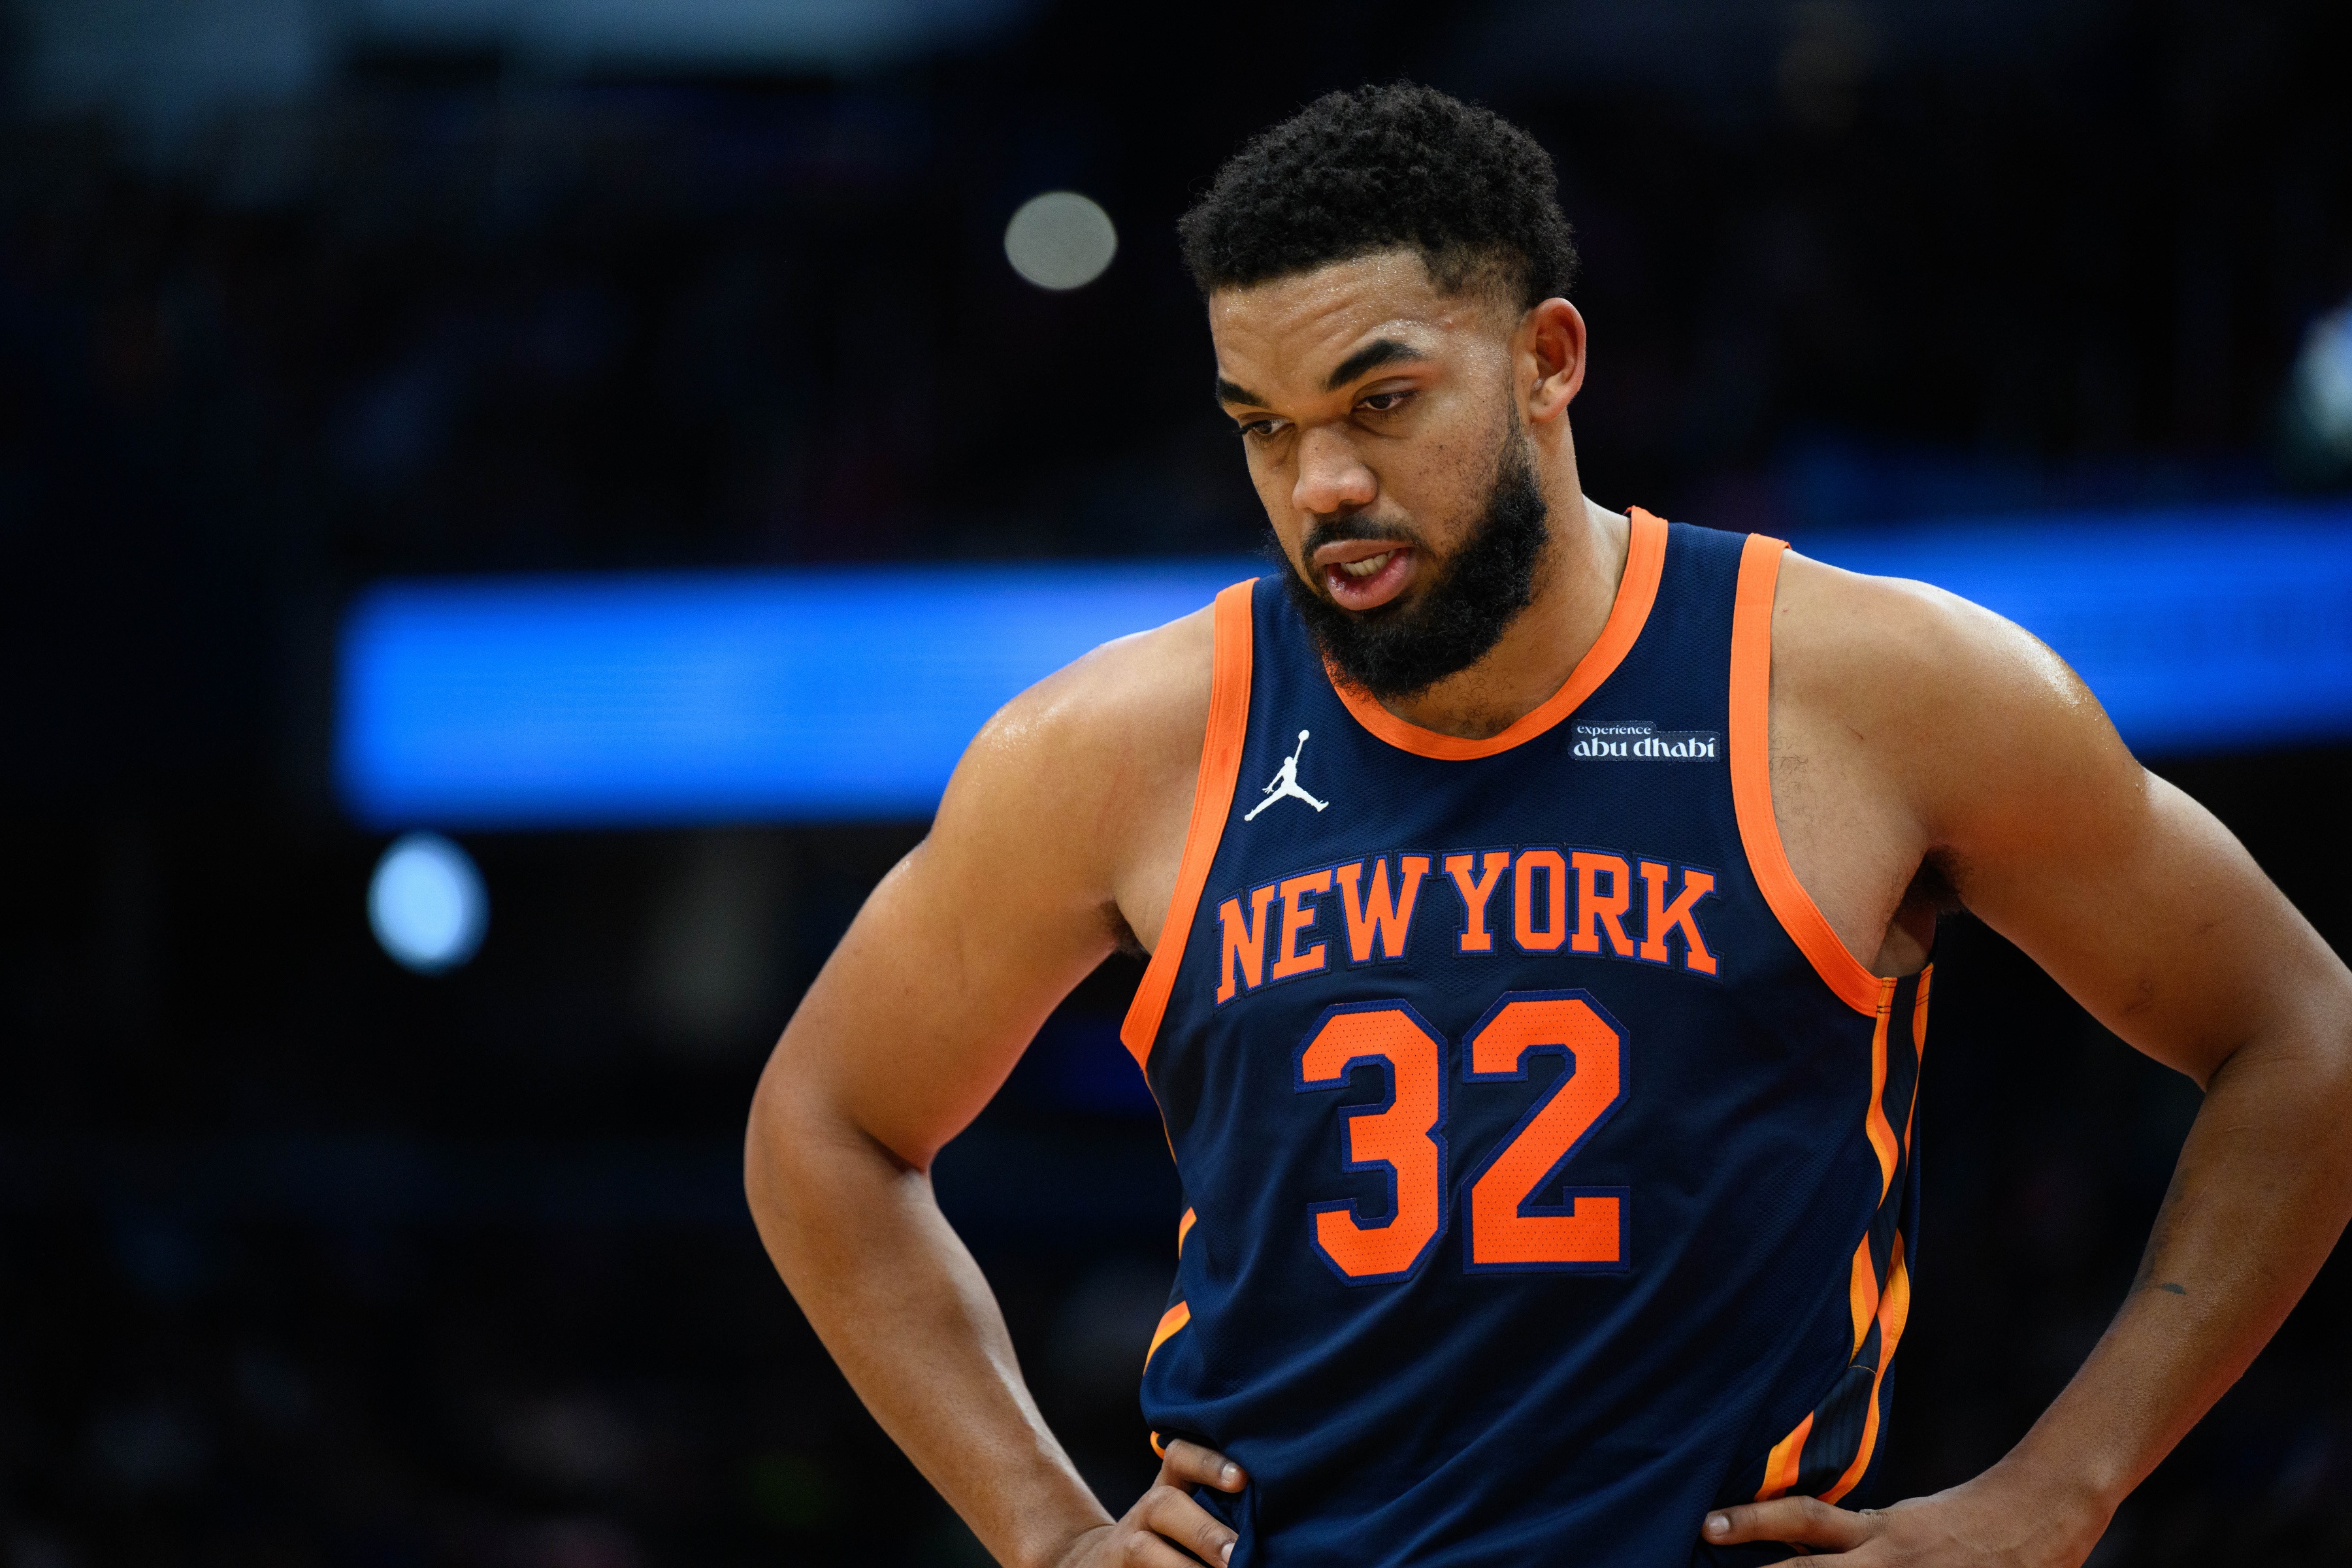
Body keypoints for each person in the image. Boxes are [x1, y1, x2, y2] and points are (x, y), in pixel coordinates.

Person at [743, 83, 2352, 1567]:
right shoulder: (1110, 746)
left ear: (1549, 359)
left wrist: (2058, 1494)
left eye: (1381, 400)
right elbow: (825, 1127)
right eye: (1265, 425)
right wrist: (1043, 1530)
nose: (1321, 482)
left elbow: (2307, 1040)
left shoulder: (1876, 688)